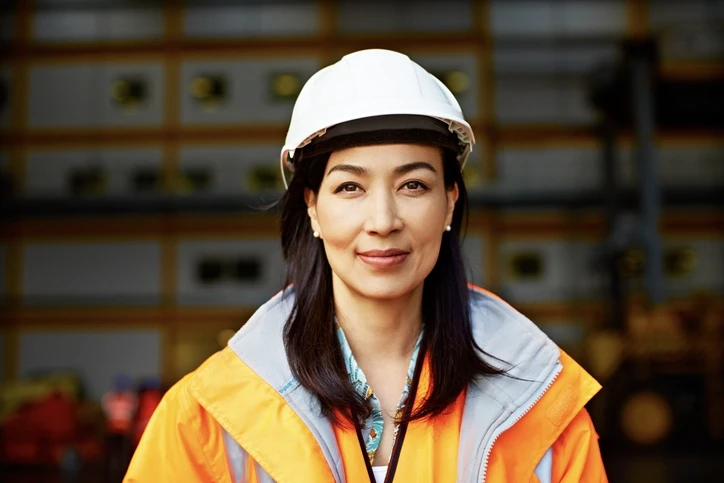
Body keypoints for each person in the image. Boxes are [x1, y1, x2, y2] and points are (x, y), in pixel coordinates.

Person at [125, 49, 607, 482]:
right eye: (350, 187)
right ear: (312, 207)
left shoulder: (541, 409)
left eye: (413, 185)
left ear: (450, 203)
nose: (382, 221)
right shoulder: (209, 420)